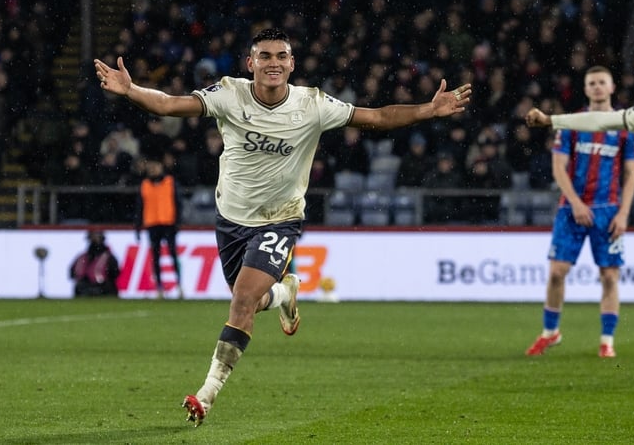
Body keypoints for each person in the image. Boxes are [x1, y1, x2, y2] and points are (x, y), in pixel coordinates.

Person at [94, 27, 470, 426]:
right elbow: (170, 105)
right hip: (231, 220)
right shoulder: (229, 95)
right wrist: (131, 90)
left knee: (241, 301)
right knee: (252, 302)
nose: (273, 63)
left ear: (291, 64)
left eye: (281, 56)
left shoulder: (313, 104)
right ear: (250, 63)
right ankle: (284, 291)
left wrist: (427, 110)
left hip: (280, 219)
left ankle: (207, 394)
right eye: (265, 56)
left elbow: (376, 117)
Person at [525, 66, 634, 359]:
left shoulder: (627, 126)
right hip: (571, 209)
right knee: (556, 273)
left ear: (612, 87)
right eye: (592, 83)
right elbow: (558, 167)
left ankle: (607, 341)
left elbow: (631, 173)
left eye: (602, 82)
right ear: (586, 89)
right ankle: (550, 332)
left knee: (610, 277)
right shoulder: (574, 123)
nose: (598, 87)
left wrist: (623, 213)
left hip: (608, 211)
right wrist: (576, 203)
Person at [134, 157, 184, 299]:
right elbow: (140, 207)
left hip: (168, 223)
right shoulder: (144, 185)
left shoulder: (170, 182)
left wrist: (177, 222)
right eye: (150, 168)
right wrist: (137, 226)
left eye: (155, 167)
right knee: (156, 257)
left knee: (172, 254)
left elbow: (178, 203)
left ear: (161, 167)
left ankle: (179, 285)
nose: (153, 170)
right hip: (152, 224)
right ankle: (159, 288)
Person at [69, 230, 121, 297]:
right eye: (92, 238)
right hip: (85, 288)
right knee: (80, 286)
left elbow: (114, 274)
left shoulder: (109, 258)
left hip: (103, 288)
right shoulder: (81, 258)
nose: (94, 241)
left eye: (97, 238)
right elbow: (72, 273)